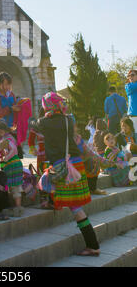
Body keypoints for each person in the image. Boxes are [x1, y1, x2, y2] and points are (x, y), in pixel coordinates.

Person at [37, 92, 100, 257]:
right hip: (76, 164)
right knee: (47, 179)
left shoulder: (44, 122)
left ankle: (92, 245)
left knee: (76, 208)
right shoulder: (68, 119)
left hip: (64, 166)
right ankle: (52, 201)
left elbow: (32, 125)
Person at [0, 119, 24, 217]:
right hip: (16, 164)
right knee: (15, 186)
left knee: (14, 186)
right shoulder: (10, 137)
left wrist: (6, 158)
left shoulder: (6, 140)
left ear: (1, 131)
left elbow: (13, 150)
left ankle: (17, 207)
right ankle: (17, 206)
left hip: (12, 165)